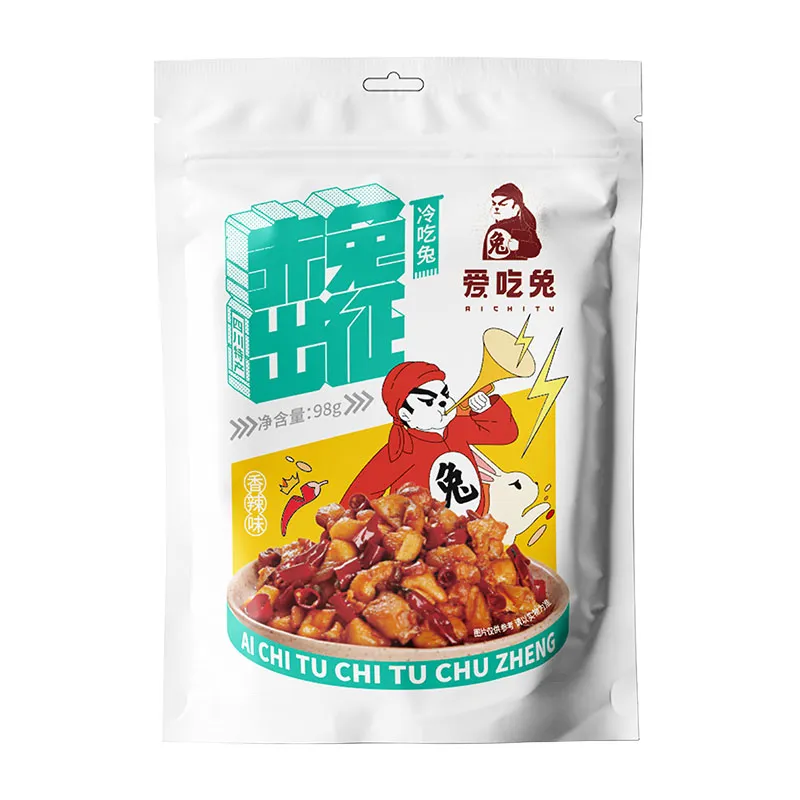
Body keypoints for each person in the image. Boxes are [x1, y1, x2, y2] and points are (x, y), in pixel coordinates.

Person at [342, 361, 518, 515]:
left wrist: (486, 410)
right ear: (406, 414)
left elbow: (505, 434)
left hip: (472, 524)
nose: (443, 403)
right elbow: (357, 497)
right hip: (422, 535)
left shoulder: (456, 427)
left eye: (445, 395)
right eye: (428, 401)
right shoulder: (401, 449)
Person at [482, 182, 542, 260]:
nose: (496, 208)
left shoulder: (524, 226)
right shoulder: (494, 228)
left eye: (503, 204)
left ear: (516, 208)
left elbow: (536, 248)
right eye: (494, 204)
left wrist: (519, 246)